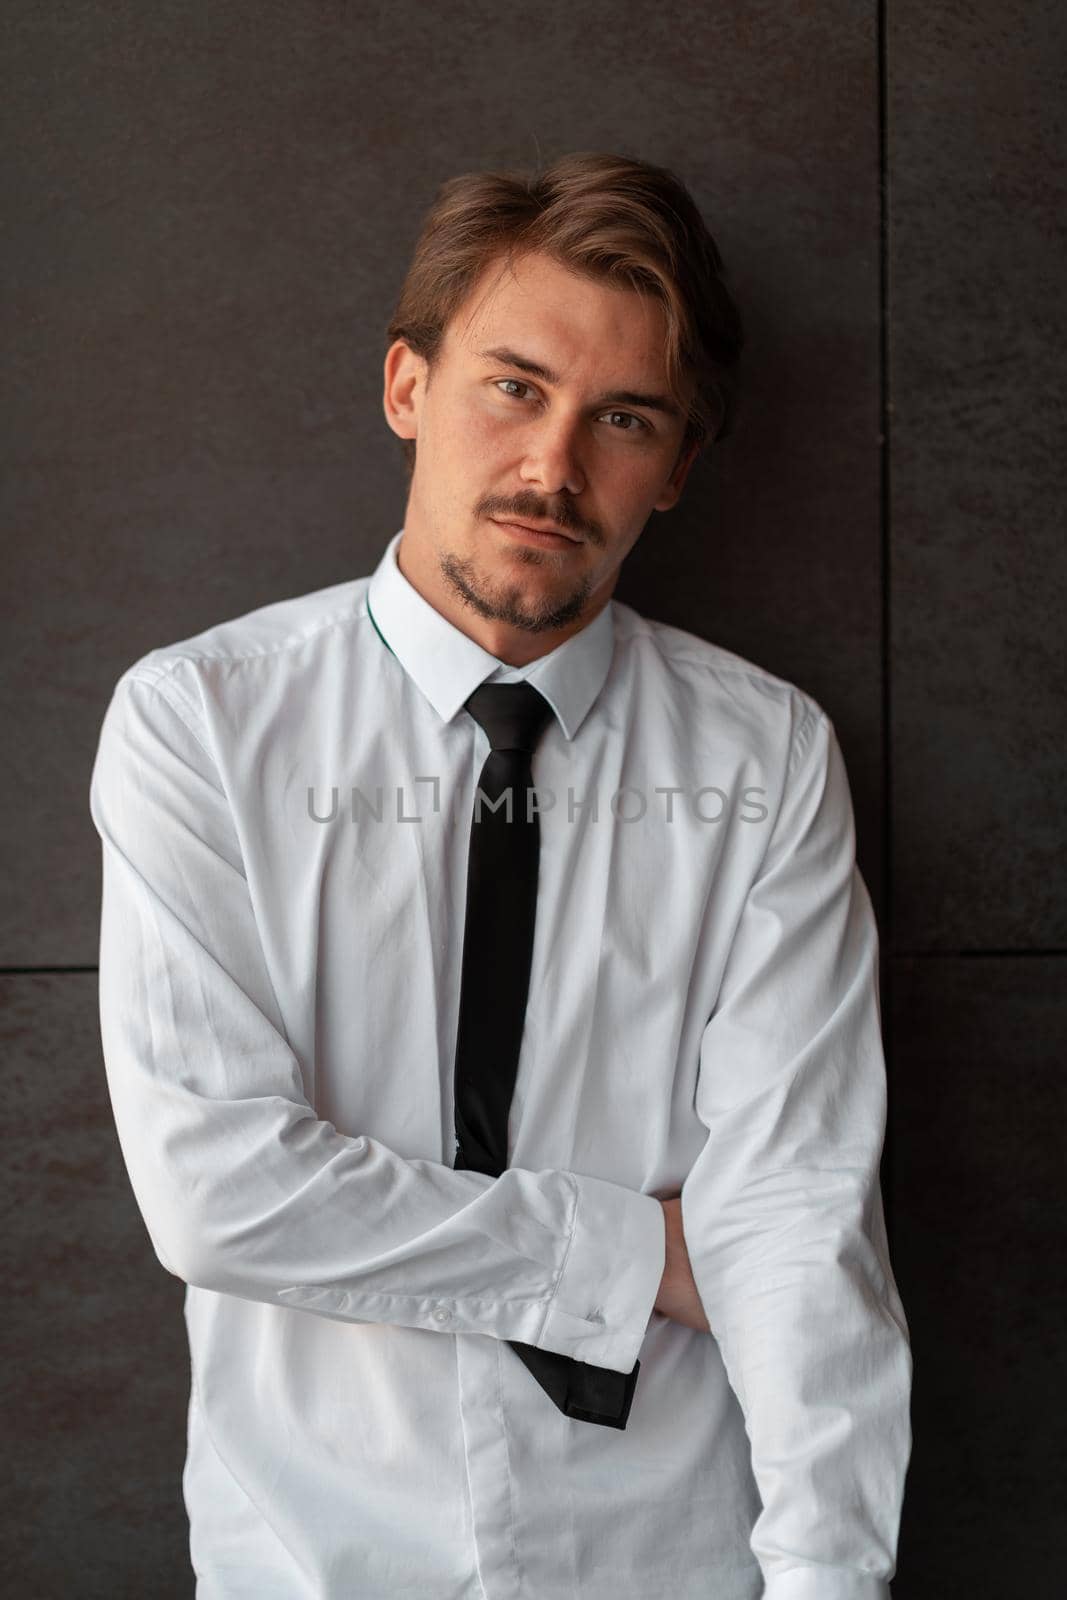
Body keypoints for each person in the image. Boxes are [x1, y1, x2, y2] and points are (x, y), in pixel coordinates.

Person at [89, 151, 912, 1598]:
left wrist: (827, 1584)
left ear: (678, 468)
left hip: (675, 1557)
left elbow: (792, 1221)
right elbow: (218, 1193)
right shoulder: (199, 725)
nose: (553, 465)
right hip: (310, 1560)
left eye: (625, 420)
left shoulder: (768, 759)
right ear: (408, 387)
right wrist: (633, 1256)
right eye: (513, 387)